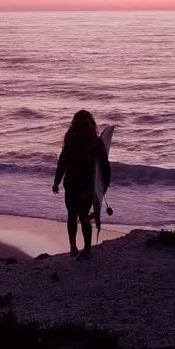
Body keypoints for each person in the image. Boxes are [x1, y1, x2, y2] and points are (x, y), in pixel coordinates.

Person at [52, 110, 111, 258]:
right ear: (91, 123)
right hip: (87, 187)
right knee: (85, 217)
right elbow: (105, 166)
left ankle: (73, 247)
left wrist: (56, 181)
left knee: (72, 216)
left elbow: (62, 162)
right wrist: (102, 188)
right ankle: (87, 249)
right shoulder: (96, 141)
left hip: (71, 185)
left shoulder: (70, 139)